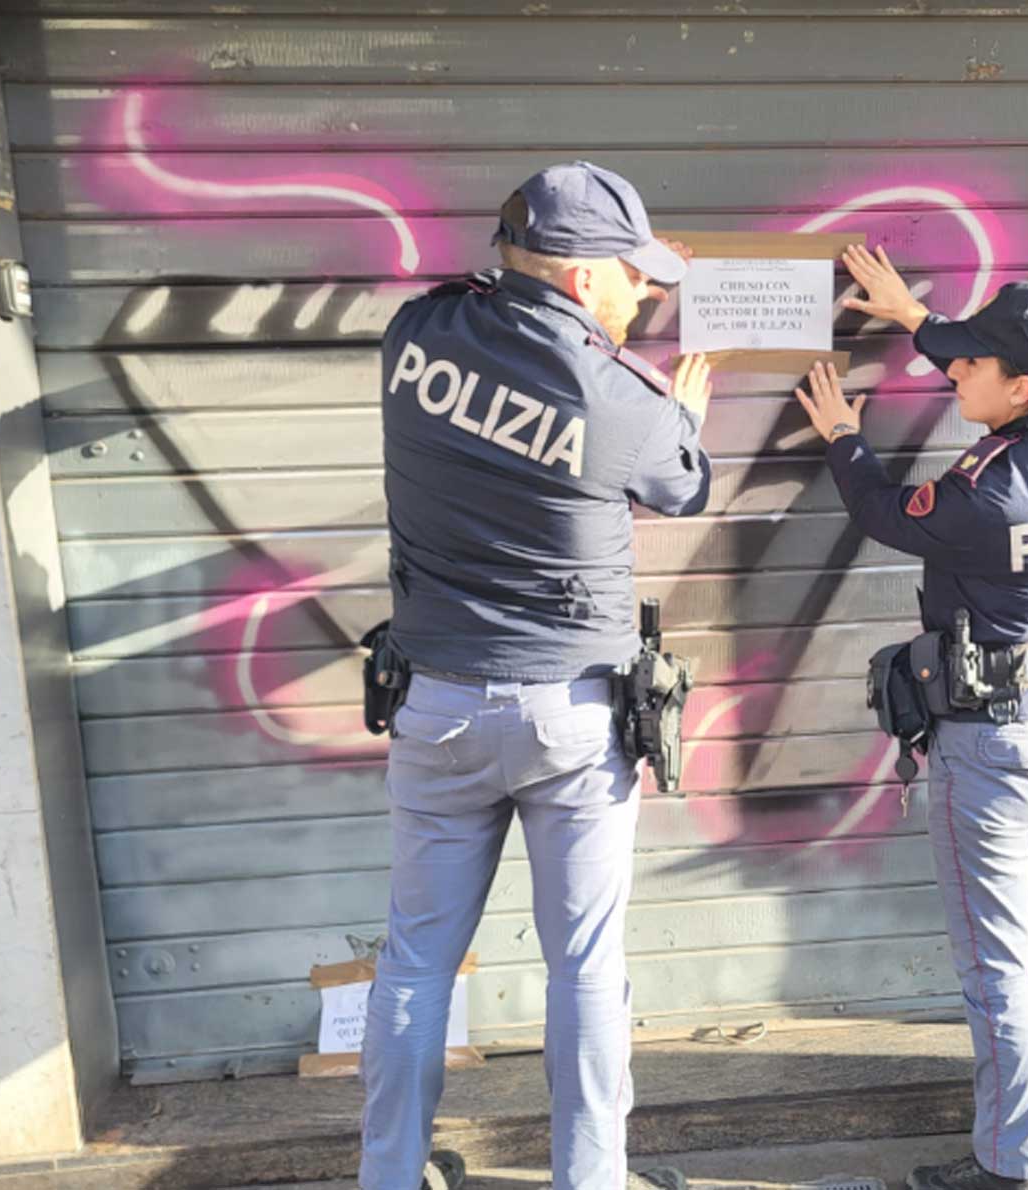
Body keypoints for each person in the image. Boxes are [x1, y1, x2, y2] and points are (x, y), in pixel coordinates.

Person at [358, 161, 713, 1190]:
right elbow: (681, 486)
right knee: (586, 966)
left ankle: (389, 1174)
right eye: (630, 277)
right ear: (578, 277)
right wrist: (671, 408)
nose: (643, 293)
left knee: (415, 958)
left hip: (437, 707)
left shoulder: (413, 337)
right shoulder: (623, 397)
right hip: (568, 713)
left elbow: (505, 370)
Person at [793, 245, 1028, 1190]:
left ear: (1022, 385)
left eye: (969, 363)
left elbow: (889, 512)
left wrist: (840, 438)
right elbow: (982, 360)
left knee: (995, 970)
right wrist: (913, 316)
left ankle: (1008, 1168)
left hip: (994, 747)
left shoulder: (992, 488)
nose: (951, 370)